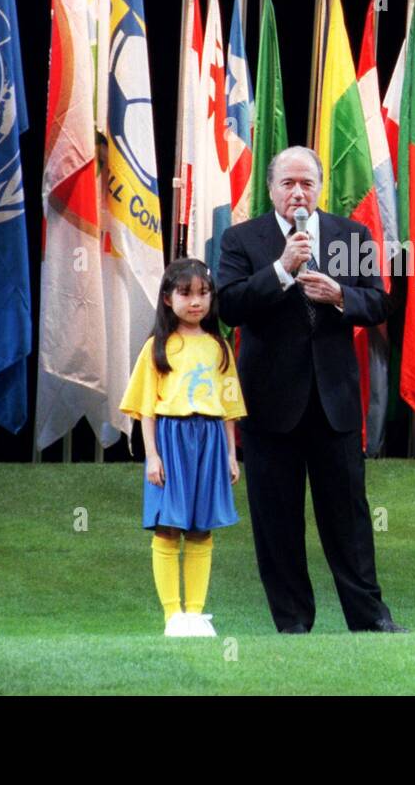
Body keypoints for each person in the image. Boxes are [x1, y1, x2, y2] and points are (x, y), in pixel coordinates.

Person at [217, 146, 404, 634]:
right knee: (277, 523)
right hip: (270, 405)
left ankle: (370, 620)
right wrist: (280, 270)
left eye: (307, 183)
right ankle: (293, 623)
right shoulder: (243, 239)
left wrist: (341, 295)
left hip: (334, 403)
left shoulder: (350, 235)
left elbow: (381, 301)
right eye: (288, 184)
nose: (298, 193)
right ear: (271, 188)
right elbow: (229, 305)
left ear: (319, 188)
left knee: (350, 521)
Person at [120, 258, 245, 638]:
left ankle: (195, 613)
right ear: (167, 299)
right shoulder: (157, 348)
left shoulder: (218, 347)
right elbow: (146, 409)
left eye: (204, 294)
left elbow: (227, 408)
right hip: (172, 442)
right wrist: (153, 456)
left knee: (201, 529)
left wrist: (229, 453)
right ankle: (172, 615)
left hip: (208, 442)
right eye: (186, 293)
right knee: (168, 527)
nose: (196, 302)